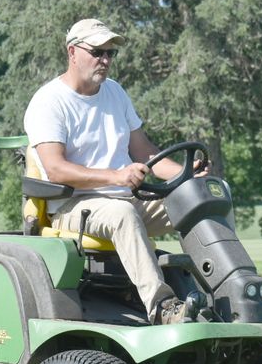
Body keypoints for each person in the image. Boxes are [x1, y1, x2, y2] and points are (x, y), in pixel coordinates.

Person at [23, 18, 197, 325]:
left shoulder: (115, 92)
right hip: (72, 206)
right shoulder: (48, 102)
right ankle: (164, 309)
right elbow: (56, 168)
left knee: (200, 198)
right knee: (122, 214)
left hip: (125, 198)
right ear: (72, 52)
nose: (105, 59)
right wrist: (116, 176)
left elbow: (145, 153)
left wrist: (188, 174)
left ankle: (234, 295)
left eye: (110, 53)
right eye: (97, 51)